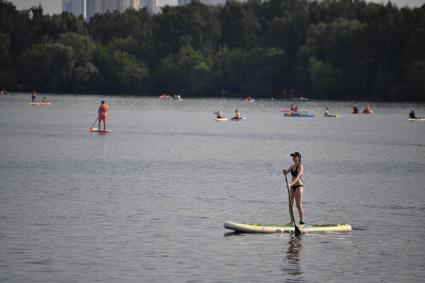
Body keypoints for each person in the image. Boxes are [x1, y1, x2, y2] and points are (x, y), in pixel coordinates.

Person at [283, 152, 305, 225]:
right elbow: (287, 172)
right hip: (292, 187)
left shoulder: (301, 167)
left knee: (298, 204)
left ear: (298, 158)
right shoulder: (292, 166)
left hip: (299, 186)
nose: (293, 158)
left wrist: (290, 184)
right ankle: (291, 221)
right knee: (290, 205)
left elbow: (298, 177)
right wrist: (285, 172)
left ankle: (301, 222)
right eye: (293, 157)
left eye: (295, 157)